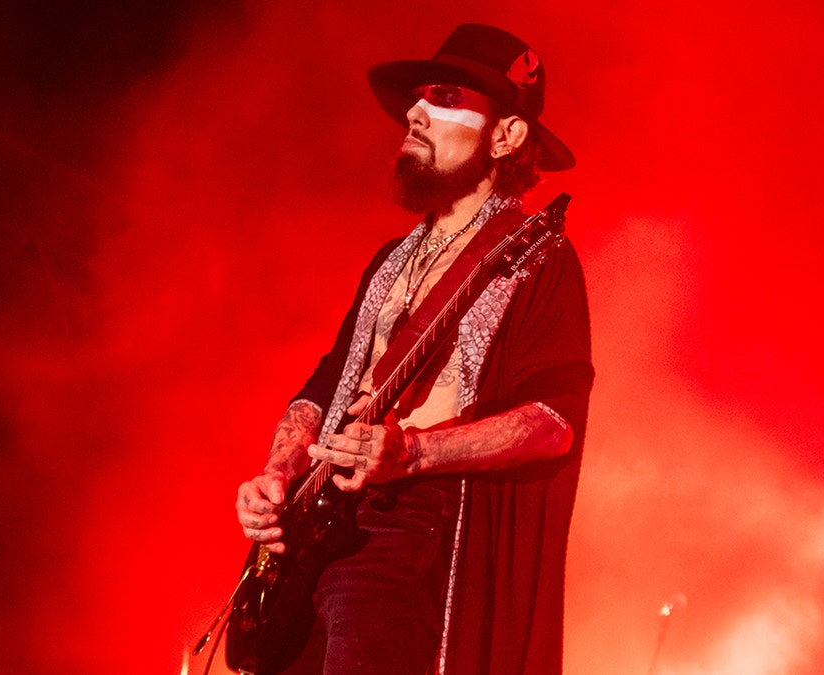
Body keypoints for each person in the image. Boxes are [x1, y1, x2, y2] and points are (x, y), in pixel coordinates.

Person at [235, 23, 593, 674]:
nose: (417, 110)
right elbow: (325, 386)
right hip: (316, 532)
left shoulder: (538, 258)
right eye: (420, 96)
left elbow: (554, 421)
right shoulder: (389, 261)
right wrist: (278, 471)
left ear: (508, 135)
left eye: (447, 97)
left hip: (409, 527)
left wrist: (414, 450)